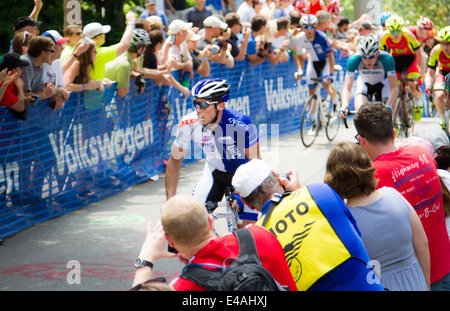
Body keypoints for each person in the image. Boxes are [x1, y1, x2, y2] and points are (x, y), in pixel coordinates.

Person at [231, 158, 384, 291]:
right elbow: (357, 234)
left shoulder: (256, 237)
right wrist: (298, 192)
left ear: (247, 203)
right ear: (278, 178)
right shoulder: (320, 191)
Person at [353, 101, 450, 291]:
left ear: (362, 141)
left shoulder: (372, 176)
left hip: (414, 278)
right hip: (445, 264)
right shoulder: (422, 154)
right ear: (394, 133)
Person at [132, 195, 298, 291]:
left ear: (169, 240)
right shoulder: (259, 235)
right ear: (210, 222)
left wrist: (145, 259)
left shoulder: (182, 286)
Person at [324, 141, 430, 291]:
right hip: (415, 281)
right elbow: (422, 244)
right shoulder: (394, 195)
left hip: (379, 284)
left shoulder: (345, 222)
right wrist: (425, 284)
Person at [165, 79, 261, 226]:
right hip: (214, 173)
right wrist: (169, 203)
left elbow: (256, 163)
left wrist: (239, 193)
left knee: (246, 230)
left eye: (203, 105)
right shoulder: (188, 123)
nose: (198, 110)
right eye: (195, 104)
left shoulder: (240, 124)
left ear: (220, 105)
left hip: (245, 175)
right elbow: (174, 162)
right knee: (189, 225)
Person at [380, 15, 427, 122]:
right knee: (395, 91)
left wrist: (422, 73)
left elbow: (421, 55)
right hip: (396, 60)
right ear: (388, 30)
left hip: (410, 59)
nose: (396, 34)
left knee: (412, 85)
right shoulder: (383, 37)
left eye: (398, 31)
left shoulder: (408, 35)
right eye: (392, 32)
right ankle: (395, 121)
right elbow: (383, 57)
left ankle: (418, 103)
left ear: (402, 29)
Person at [339, 34, 398, 117]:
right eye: (364, 57)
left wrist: (389, 105)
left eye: (371, 57)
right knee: (361, 113)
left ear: (377, 53)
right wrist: (344, 105)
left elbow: (394, 88)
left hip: (384, 85)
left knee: (386, 117)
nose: (367, 60)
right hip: (365, 84)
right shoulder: (353, 60)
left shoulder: (387, 59)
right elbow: (347, 88)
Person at [293, 14, 338, 106]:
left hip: (326, 61)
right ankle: (314, 119)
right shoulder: (299, 38)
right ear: (302, 27)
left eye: (311, 27)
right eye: (306, 27)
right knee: (311, 90)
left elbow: (330, 56)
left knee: (326, 84)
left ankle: (336, 102)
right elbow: (300, 56)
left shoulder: (322, 37)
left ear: (315, 27)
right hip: (312, 62)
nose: (309, 29)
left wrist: (331, 74)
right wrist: (300, 71)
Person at [82, 12, 136, 82]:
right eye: (103, 33)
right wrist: (131, 23)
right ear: (98, 38)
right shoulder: (97, 53)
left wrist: (102, 80)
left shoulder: (85, 50)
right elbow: (124, 45)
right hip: (95, 92)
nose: (105, 35)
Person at [105, 29, 151, 98]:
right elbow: (122, 93)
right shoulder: (125, 64)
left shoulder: (120, 53)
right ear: (141, 49)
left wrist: (137, 76)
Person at [425, 26, 450, 131]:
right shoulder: (436, 50)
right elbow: (430, 72)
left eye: (448, 44)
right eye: (442, 43)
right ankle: (443, 119)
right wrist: (428, 85)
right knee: (439, 95)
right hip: (443, 72)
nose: (445, 47)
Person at [20, 36, 56, 101]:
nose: (53, 54)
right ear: (43, 53)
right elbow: (25, 95)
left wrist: (46, 89)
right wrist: (44, 95)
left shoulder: (40, 66)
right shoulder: (26, 63)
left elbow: (37, 91)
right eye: (52, 50)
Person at [41, 30, 71, 110]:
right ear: (51, 47)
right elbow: (39, 90)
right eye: (60, 44)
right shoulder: (39, 64)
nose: (63, 47)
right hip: (36, 114)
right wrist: (59, 92)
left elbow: (61, 86)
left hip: (52, 114)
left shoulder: (57, 62)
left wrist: (59, 95)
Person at [0, 52, 32, 117]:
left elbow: (16, 99)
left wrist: (24, 99)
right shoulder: (4, 85)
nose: (21, 71)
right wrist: (20, 88)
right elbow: (20, 108)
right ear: (13, 71)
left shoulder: (11, 82)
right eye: (21, 68)